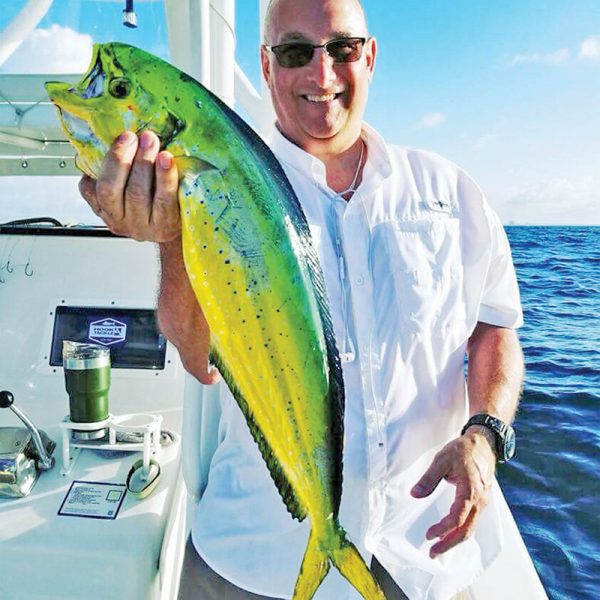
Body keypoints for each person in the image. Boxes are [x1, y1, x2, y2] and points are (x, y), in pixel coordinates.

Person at [79, 1, 524, 598]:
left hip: (425, 558)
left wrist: (485, 434)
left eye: (341, 49)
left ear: (369, 56)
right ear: (266, 66)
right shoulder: (209, 186)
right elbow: (198, 355)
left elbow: (494, 326)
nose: (321, 76)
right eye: (295, 53)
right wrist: (171, 239)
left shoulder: (451, 193)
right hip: (255, 561)